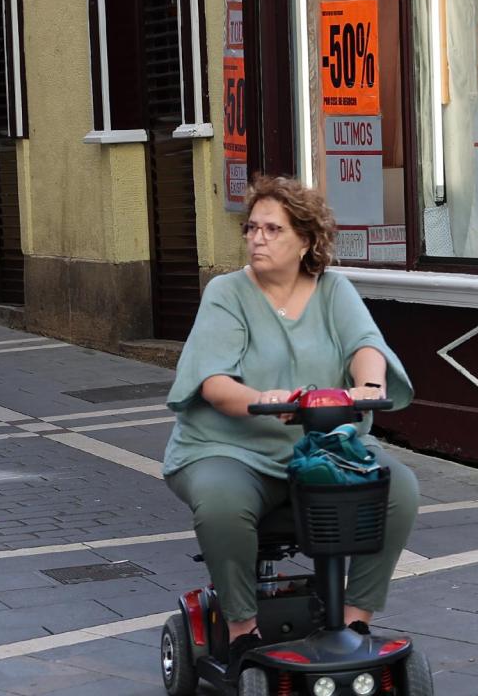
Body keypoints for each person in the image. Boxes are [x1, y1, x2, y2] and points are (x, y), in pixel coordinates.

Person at [162, 175, 419, 667]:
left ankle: (354, 619)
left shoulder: (333, 290)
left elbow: (366, 346)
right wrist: (261, 398)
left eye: (272, 230)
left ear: (306, 240)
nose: (257, 238)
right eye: (252, 228)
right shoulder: (227, 293)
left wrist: (368, 387)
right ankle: (243, 629)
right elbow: (213, 382)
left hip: (321, 446)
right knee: (221, 502)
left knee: (399, 488)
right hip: (229, 449)